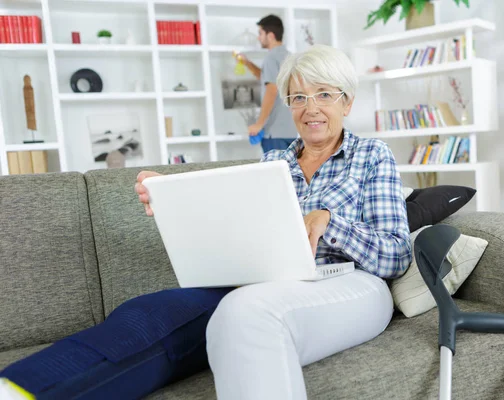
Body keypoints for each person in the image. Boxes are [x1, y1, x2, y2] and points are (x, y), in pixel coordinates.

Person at [0, 44, 412, 400]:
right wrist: (177, 198)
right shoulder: (274, 162)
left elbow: (396, 255)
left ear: (347, 102)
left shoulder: (371, 156)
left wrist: (330, 222)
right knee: (146, 311)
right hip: (265, 281)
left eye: (324, 94)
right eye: (298, 97)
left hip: (348, 283)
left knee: (244, 313)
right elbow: (239, 230)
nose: (311, 108)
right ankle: (19, 387)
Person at [235, 14, 298, 153]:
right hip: (292, 131)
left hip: (274, 133)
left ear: (270, 35)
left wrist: (259, 124)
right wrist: (247, 63)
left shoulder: (271, 57)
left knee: (275, 173)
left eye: (260, 33)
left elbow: (272, 89)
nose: (258, 37)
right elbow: (266, 78)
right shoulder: (290, 57)